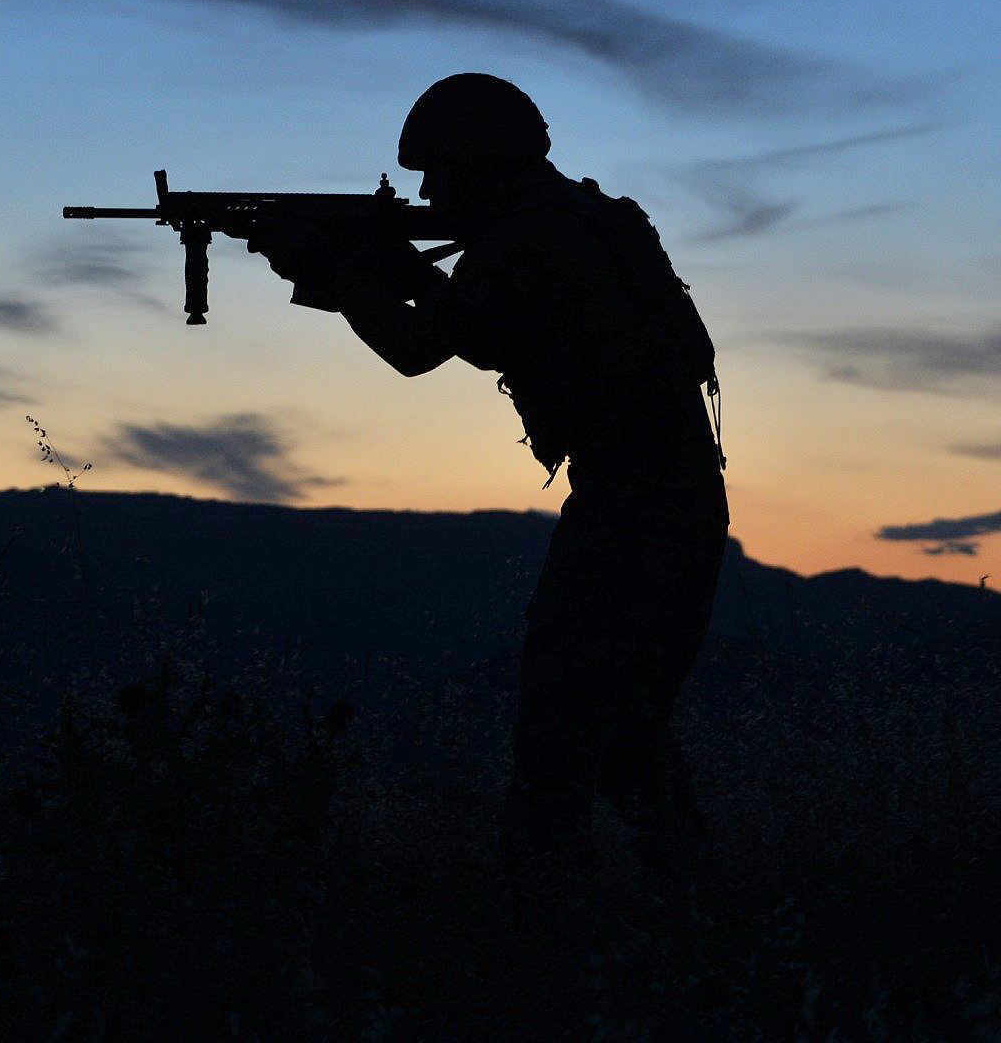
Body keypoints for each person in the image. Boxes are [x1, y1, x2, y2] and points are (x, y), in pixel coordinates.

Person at [232, 73, 729, 896]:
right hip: (676, 500)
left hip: (631, 507)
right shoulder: (592, 220)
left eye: (438, 173)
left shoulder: (527, 240)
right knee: (625, 735)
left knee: (561, 735)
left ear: (480, 165)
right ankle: (690, 912)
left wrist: (338, 272)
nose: (427, 192)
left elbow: (421, 347)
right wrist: (373, 265)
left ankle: (545, 927)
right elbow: (486, 322)